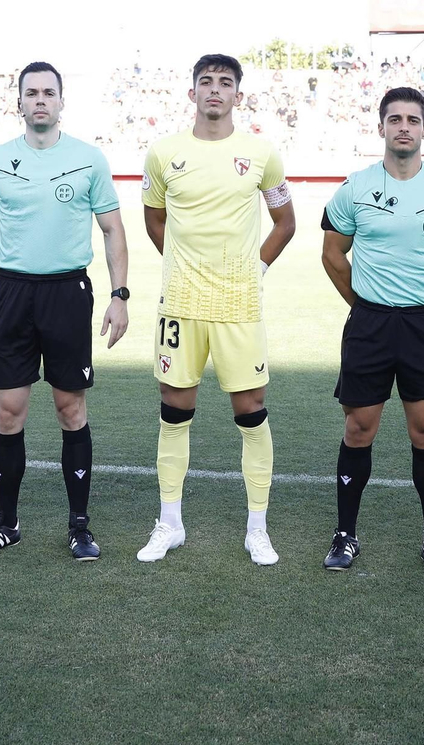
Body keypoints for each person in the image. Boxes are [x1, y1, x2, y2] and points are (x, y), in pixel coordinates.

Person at [0, 61, 129, 561]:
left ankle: (79, 527)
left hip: (67, 294)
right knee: (9, 411)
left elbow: (113, 231)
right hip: (12, 295)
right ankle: (5, 523)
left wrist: (120, 296)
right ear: (19, 101)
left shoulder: (89, 160)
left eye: (48, 92)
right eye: (31, 92)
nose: (40, 100)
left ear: (61, 102)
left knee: (70, 408)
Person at [136, 54, 297, 567]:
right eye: (205, 82)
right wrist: (185, 268)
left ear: (237, 96)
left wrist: (256, 269)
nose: (214, 90)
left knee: (251, 414)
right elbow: (154, 219)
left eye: (225, 83)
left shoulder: (261, 153)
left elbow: (284, 223)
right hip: (181, 306)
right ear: (192, 93)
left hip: (238, 306)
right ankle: (170, 523)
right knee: (173, 412)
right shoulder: (164, 153)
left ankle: (257, 528)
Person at [321, 87, 424, 574]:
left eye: (412, 119)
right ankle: (346, 535)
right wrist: (365, 305)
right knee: (358, 428)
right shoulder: (354, 187)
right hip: (369, 324)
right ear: (381, 126)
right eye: (395, 119)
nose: (403, 126)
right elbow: (332, 253)